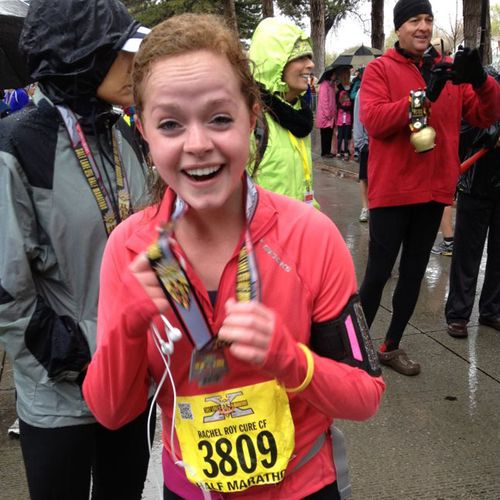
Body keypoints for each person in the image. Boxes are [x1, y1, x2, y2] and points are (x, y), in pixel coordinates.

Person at [82, 13, 385, 500]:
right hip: (191, 489)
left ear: (252, 116)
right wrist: (127, 327)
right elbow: (110, 411)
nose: (198, 144)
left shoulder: (312, 236)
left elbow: (365, 394)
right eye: (170, 124)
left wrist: (292, 361)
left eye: (220, 118)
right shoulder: (134, 248)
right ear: (144, 131)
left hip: (304, 485)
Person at [0, 1, 154, 499]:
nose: (135, 63)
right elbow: (8, 290)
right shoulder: (18, 146)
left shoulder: (124, 133)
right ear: (80, 56)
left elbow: (153, 242)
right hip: (61, 391)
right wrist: (81, 356)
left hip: (135, 379)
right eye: (120, 51)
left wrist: (181, 323)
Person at [358, 0, 500, 376]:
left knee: (414, 273)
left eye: (428, 20)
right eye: (414, 20)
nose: (423, 27)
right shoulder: (379, 70)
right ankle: (353, 351)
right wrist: (422, 97)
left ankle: (390, 346)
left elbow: (487, 115)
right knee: (377, 274)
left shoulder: (450, 73)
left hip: (434, 190)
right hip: (393, 191)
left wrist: (481, 81)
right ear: (399, 29)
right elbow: (374, 121)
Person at [445, 68, 500, 338]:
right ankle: (458, 314)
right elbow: (463, 131)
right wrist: (489, 132)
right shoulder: (485, 83)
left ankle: (492, 309)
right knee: (467, 254)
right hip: (475, 184)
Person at [247, 17, 318, 207]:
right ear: (274, 64)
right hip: (263, 234)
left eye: (309, 57)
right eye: (300, 57)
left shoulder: (299, 116)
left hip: (301, 230)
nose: (310, 64)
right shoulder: (249, 119)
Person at [352, 72, 369, 223]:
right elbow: (358, 118)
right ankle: (365, 207)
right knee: (364, 177)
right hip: (366, 142)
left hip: (381, 142)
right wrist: (359, 143)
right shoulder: (361, 93)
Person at [315, 70, 337, 158]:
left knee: (329, 134)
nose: (335, 76)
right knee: (325, 134)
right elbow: (324, 101)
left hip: (330, 115)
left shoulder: (331, 85)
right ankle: (324, 152)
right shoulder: (324, 85)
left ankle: (327, 151)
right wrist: (328, 115)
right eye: (334, 74)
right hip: (325, 116)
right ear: (330, 75)